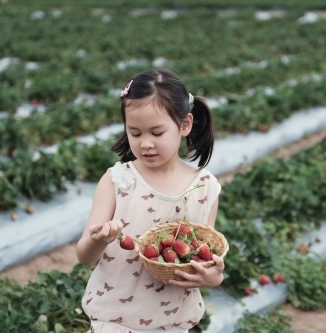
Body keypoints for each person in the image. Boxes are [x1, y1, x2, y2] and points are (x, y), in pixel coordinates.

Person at [76, 69, 224, 333]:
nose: (146, 144)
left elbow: (205, 256)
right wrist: (98, 240)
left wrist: (213, 276)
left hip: (173, 324)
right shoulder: (118, 181)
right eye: (135, 133)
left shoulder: (205, 188)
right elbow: (84, 255)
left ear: (185, 124)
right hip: (114, 322)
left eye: (157, 133)